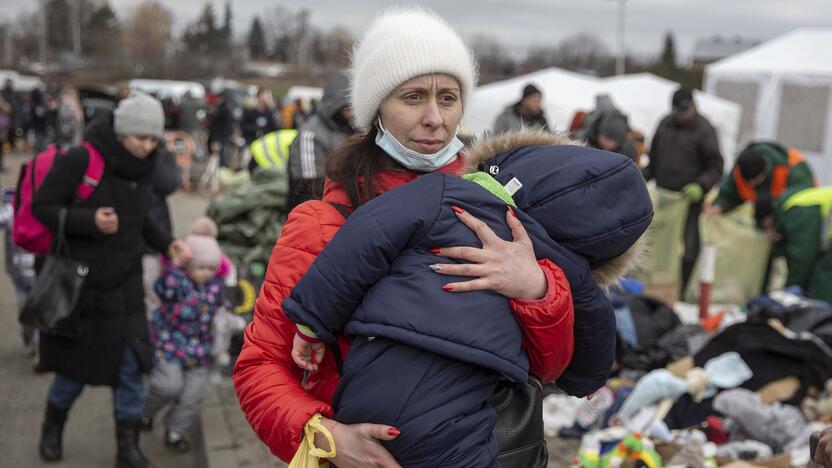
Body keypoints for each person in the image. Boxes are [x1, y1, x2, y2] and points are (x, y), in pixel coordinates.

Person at [234, 9, 600, 467]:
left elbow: (550, 367)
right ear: (375, 109)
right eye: (413, 97)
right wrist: (324, 437)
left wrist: (536, 289)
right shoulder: (322, 223)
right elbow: (260, 365)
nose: (434, 118)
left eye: (448, 97)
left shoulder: (496, 211)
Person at [284, 132, 651, 466]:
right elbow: (588, 370)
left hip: (371, 382)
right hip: (456, 416)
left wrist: (312, 322)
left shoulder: (442, 192)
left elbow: (364, 238)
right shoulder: (567, 272)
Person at [32, 93, 191, 468]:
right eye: (140, 138)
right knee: (74, 374)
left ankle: (128, 448)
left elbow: (140, 218)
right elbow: (43, 207)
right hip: (85, 289)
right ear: (122, 131)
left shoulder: (146, 167)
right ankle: (51, 428)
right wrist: (88, 221)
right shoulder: (83, 159)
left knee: (132, 369)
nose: (146, 147)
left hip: (127, 289)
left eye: (153, 140)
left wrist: (167, 243)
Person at [141, 233, 226, 452]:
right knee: (167, 385)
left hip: (199, 351)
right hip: (170, 345)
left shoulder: (215, 286)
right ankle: (145, 412)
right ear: (188, 265)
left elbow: (221, 311)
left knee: (193, 395)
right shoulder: (176, 281)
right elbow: (163, 288)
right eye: (200, 267)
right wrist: (174, 266)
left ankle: (175, 431)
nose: (206, 273)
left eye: (211, 268)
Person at [644, 87, 724, 291]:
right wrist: (642, 175)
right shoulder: (665, 124)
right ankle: (657, 284)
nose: (682, 117)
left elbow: (716, 165)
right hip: (664, 198)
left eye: (685, 112)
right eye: (678, 113)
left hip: (689, 200)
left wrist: (701, 185)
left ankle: (681, 288)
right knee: (659, 245)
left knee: (688, 249)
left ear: (694, 107)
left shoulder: (705, 129)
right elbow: (654, 158)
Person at [286, 70, 355, 210]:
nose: (351, 112)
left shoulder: (351, 129)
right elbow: (307, 188)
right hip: (316, 212)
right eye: (347, 106)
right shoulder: (310, 134)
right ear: (335, 105)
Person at [756, 186, 832, 303]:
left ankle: (824, 318)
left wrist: (786, 296)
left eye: (767, 228)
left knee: (822, 279)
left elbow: (802, 260)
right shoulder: (790, 202)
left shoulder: (796, 214)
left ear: (769, 218)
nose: (770, 235)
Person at [706, 141, 815, 217]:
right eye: (748, 182)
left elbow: (804, 204)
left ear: (765, 172)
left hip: (805, 211)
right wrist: (719, 206)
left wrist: (778, 224)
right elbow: (730, 194)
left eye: (756, 181)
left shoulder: (792, 170)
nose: (751, 186)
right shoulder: (741, 170)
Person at [207, 91, 235, 167]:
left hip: (220, 135)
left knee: (220, 154)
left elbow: (216, 122)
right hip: (220, 135)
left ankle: (221, 168)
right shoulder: (222, 109)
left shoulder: (223, 110)